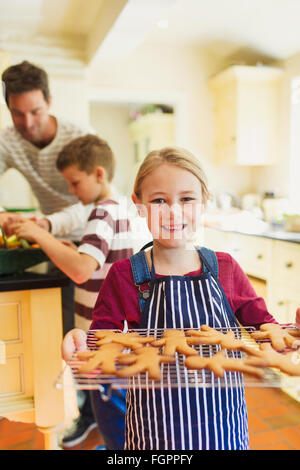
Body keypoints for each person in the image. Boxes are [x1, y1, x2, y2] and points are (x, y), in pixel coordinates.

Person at [61, 145, 300, 450]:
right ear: (139, 205)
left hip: (222, 428)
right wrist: (78, 341)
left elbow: (268, 334)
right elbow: (99, 343)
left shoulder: (225, 268)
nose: (173, 212)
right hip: (153, 430)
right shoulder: (124, 276)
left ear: (204, 203)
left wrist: (293, 333)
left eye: (186, 199)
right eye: (159, 200)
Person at [12, 134, 134, 449]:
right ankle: (115, 444)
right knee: (113, 397)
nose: (71, 191)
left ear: (98, 174)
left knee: (109, 402)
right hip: (116, 331)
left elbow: (81, 269)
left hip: (100, 331)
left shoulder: (101, 212)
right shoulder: (119, 207)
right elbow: (98, 257)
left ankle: (118, 448)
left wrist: (40, 234)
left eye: (75, 183)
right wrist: (72, 247)